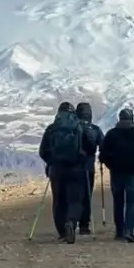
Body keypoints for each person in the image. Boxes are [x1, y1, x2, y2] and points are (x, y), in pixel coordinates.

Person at [98, 108, 134, 242]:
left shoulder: (112, 134)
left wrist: (110, 165)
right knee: (132, 202)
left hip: (116, 173)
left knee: (118, 202)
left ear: (119, 118)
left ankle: (119, 231)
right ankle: (128, 230)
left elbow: (103, 155)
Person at [38, 102, 90, 244]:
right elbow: (90, 144)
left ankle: (62, 231)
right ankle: (71, 223)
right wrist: (83, 158)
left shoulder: (51, 129)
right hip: (76, 170)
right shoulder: (79, 127)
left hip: (57, 171)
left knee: (59, 201)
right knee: (75, 200)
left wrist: (52, 161)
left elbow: (43, 151)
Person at [75, 102, 105, 235]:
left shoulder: (73, 127)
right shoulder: (95, 129)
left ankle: (70, 220)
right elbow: (104, 147)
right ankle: (84, 225)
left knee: (73, 195)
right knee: (86, 196)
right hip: (88, 167)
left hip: (72, 167)